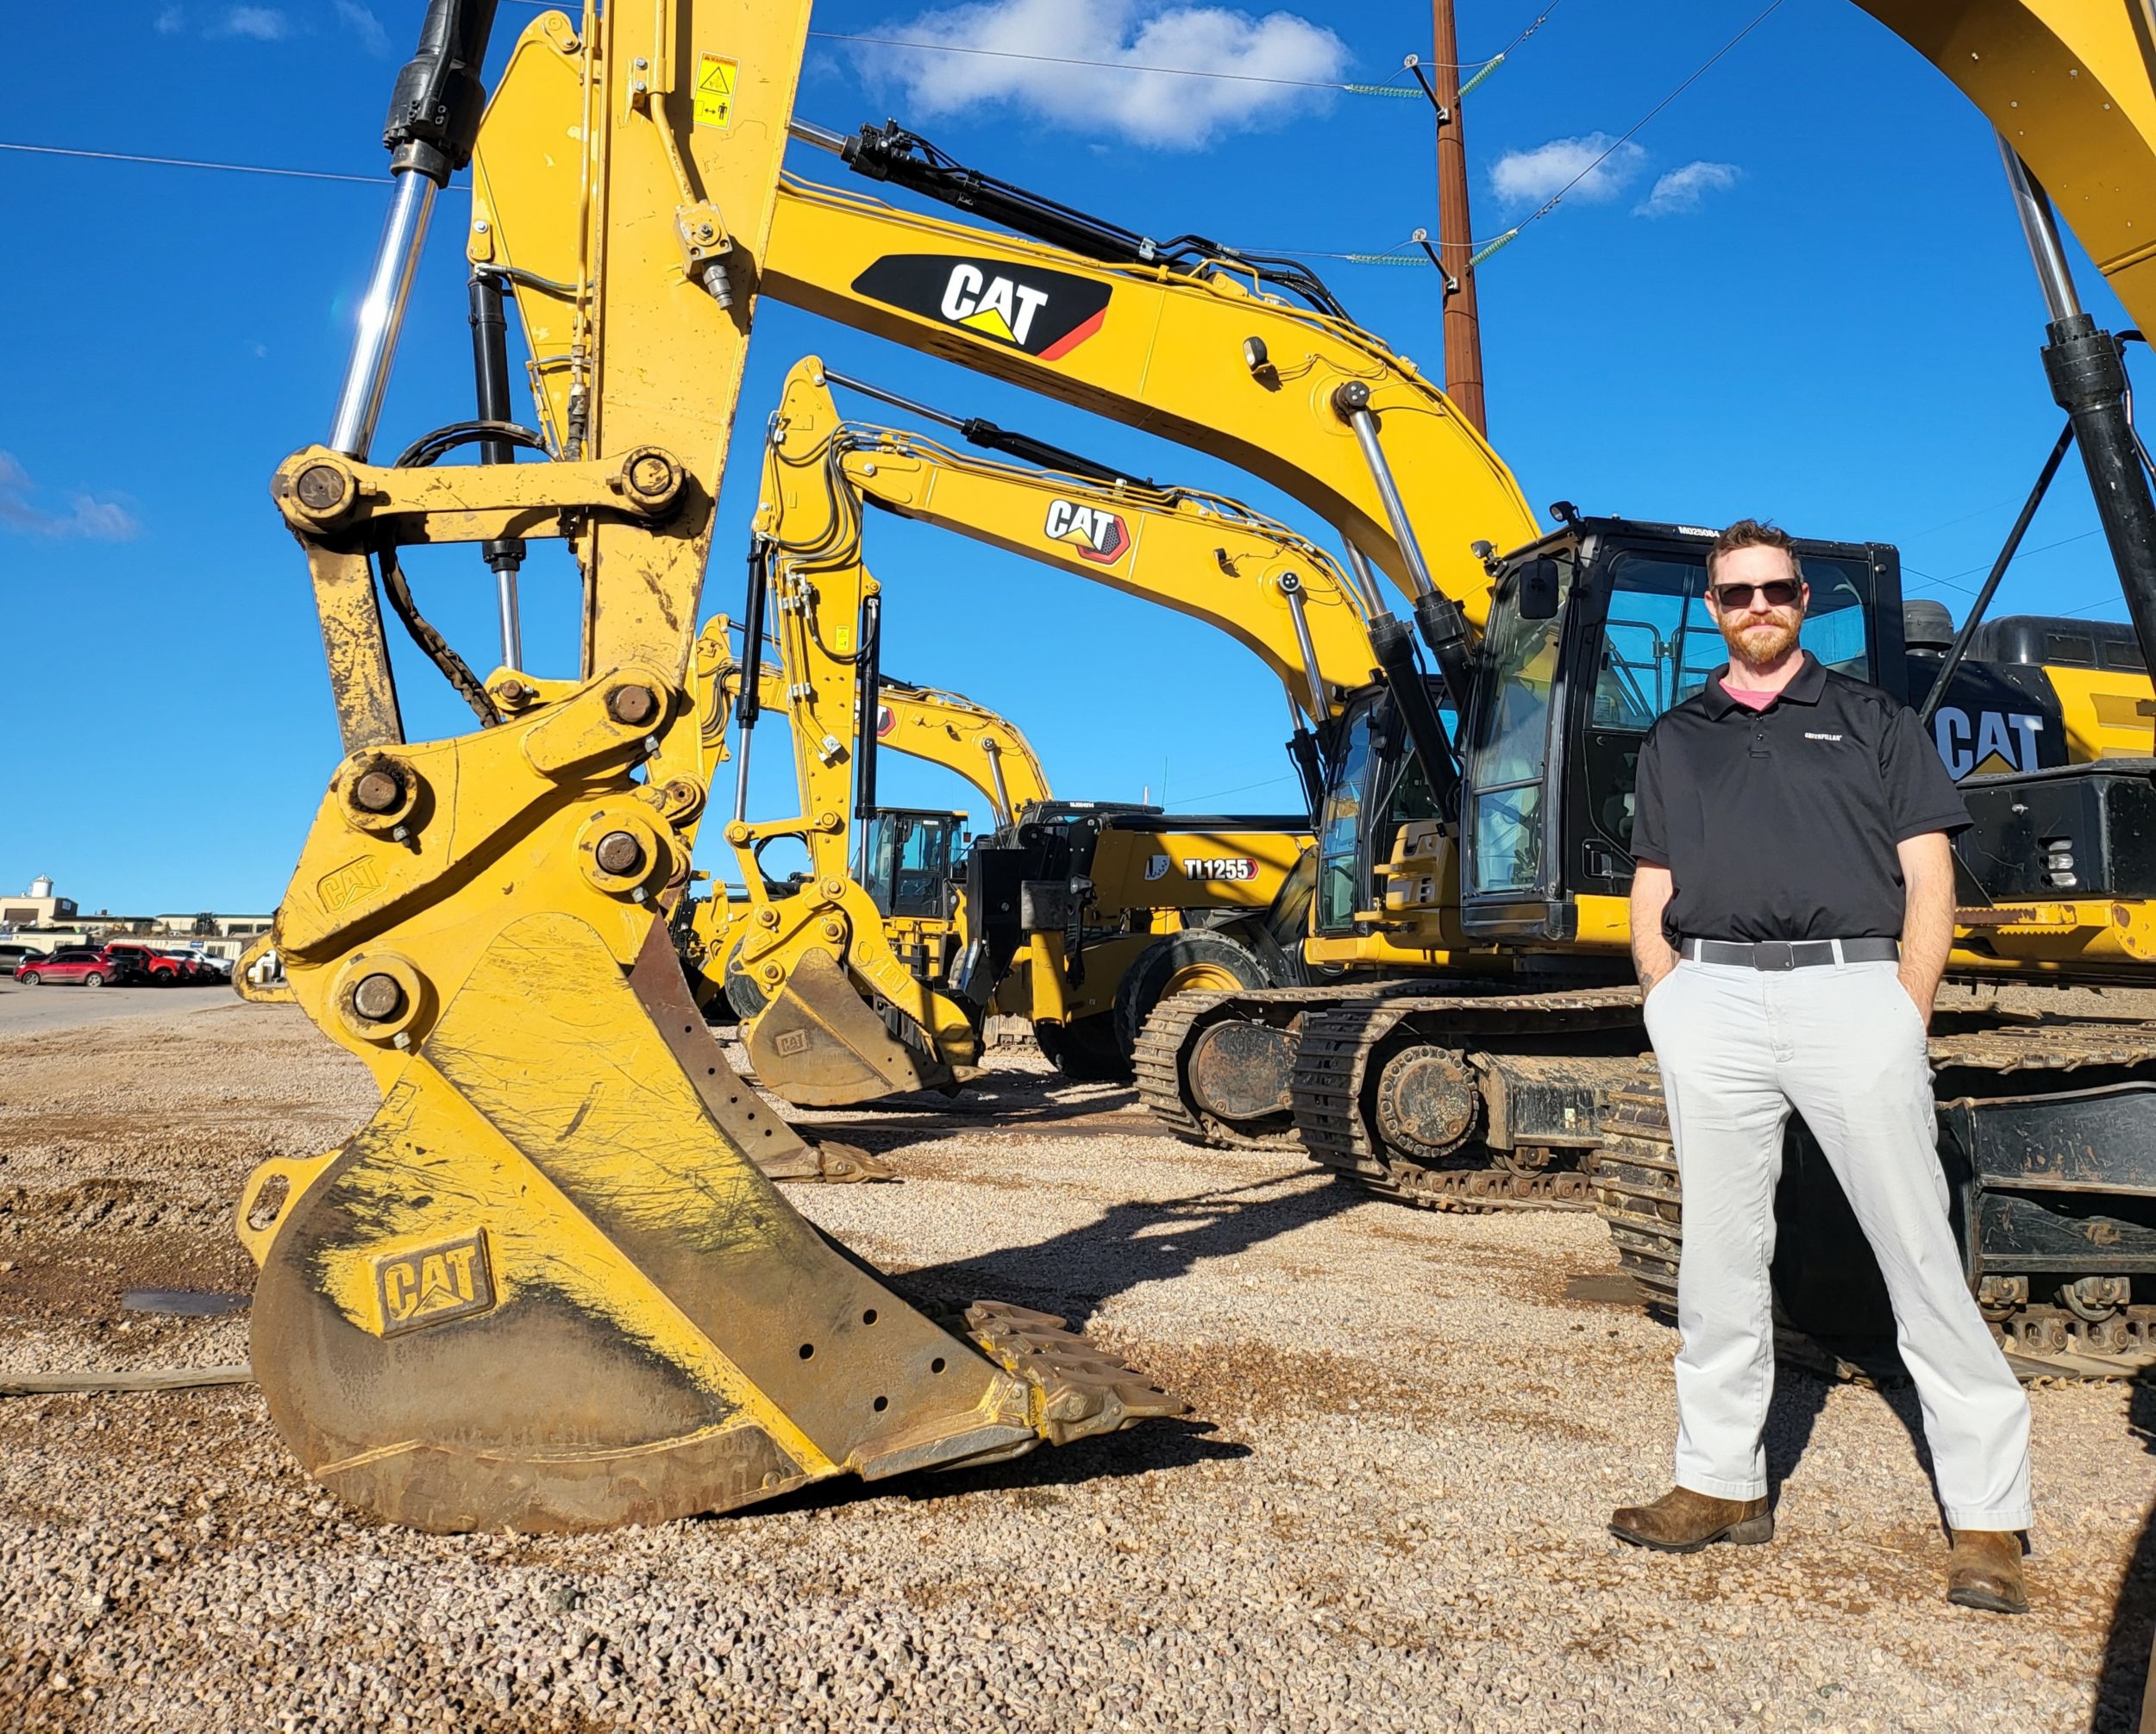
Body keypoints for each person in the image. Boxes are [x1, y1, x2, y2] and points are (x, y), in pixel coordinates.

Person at [1611, 518, 2033, 1615]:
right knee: (1716, 1255)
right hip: (1712, 997)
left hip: (1853, 991)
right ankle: (1718, 1482)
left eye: (1777, 589)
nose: (1758, 605)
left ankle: (1986, 1512)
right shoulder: (1677, 735)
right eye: (1736, 591)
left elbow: (1926, 873)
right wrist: (1668, 994)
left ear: (1804, 600)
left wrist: (1906, 1005)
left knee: (1918, 1253)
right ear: (1712, 606)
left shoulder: (1872, 721)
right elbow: (1651, 877)